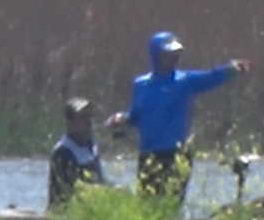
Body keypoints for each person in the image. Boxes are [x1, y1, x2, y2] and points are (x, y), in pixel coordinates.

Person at [105, 31, 251, 203]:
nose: (173, 58)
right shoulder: (140, 84)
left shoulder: (185, 81)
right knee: (146, 205)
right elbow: (136, 116)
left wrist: (230, 69)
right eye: (168, 54)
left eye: (176, 54)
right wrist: (121, 119)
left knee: (170, 205)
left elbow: (211, 77)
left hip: (175, 155)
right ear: (156, 55)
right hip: (149, 155)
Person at [47, 97, 106, 210]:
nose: (89, 121)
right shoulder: (62, 152)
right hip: (64, 214)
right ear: (70, 122)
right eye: (83, 117)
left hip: (92, 210)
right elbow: (70, 190)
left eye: (90, 116)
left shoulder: (91, 145)